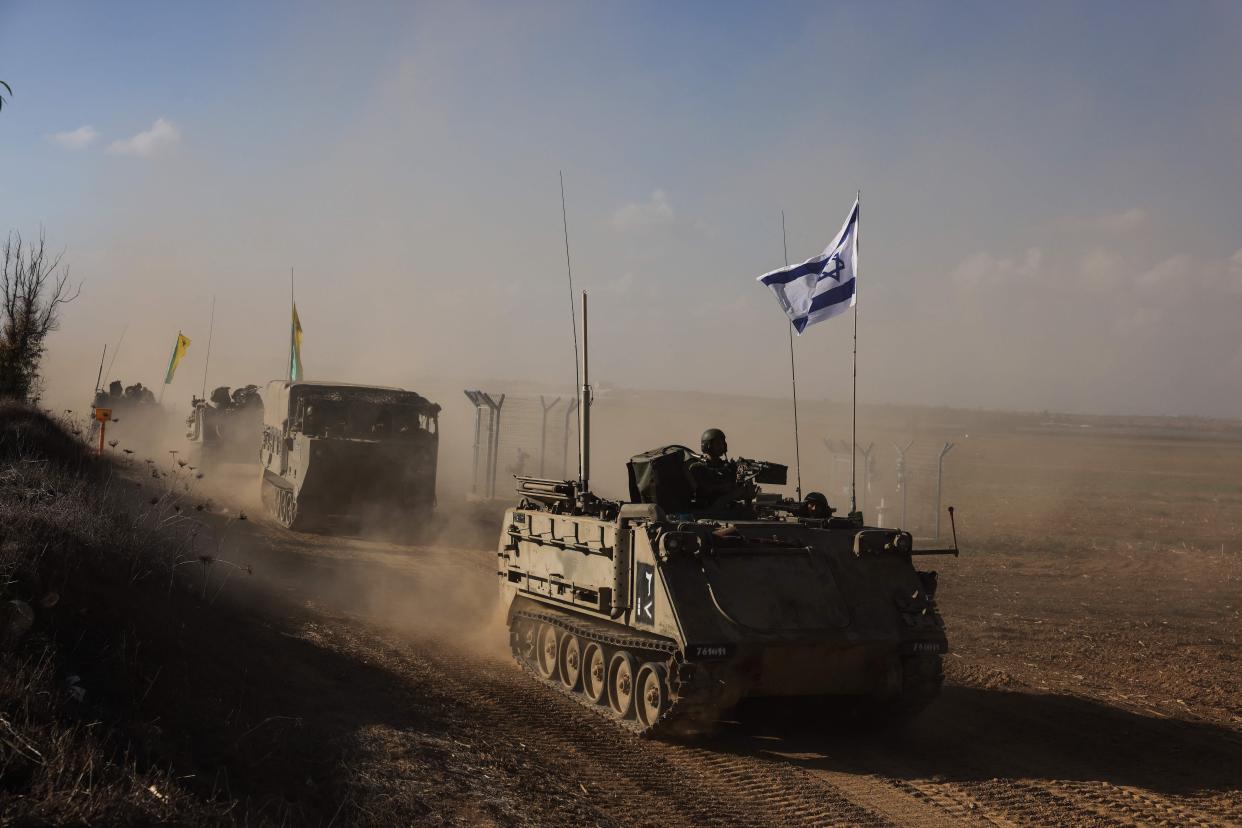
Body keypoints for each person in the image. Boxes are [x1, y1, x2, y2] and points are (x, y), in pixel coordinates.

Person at [687, 428, 753, 510]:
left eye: (723, 444)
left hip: (725, 509)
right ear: (708, 445)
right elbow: (707, 488)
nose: (721, 447)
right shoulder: (697, 467)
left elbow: (736, 492)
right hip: (706, 509)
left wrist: (740, 481)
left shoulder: (728, 467)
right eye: (718, 444)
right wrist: (729, 488)